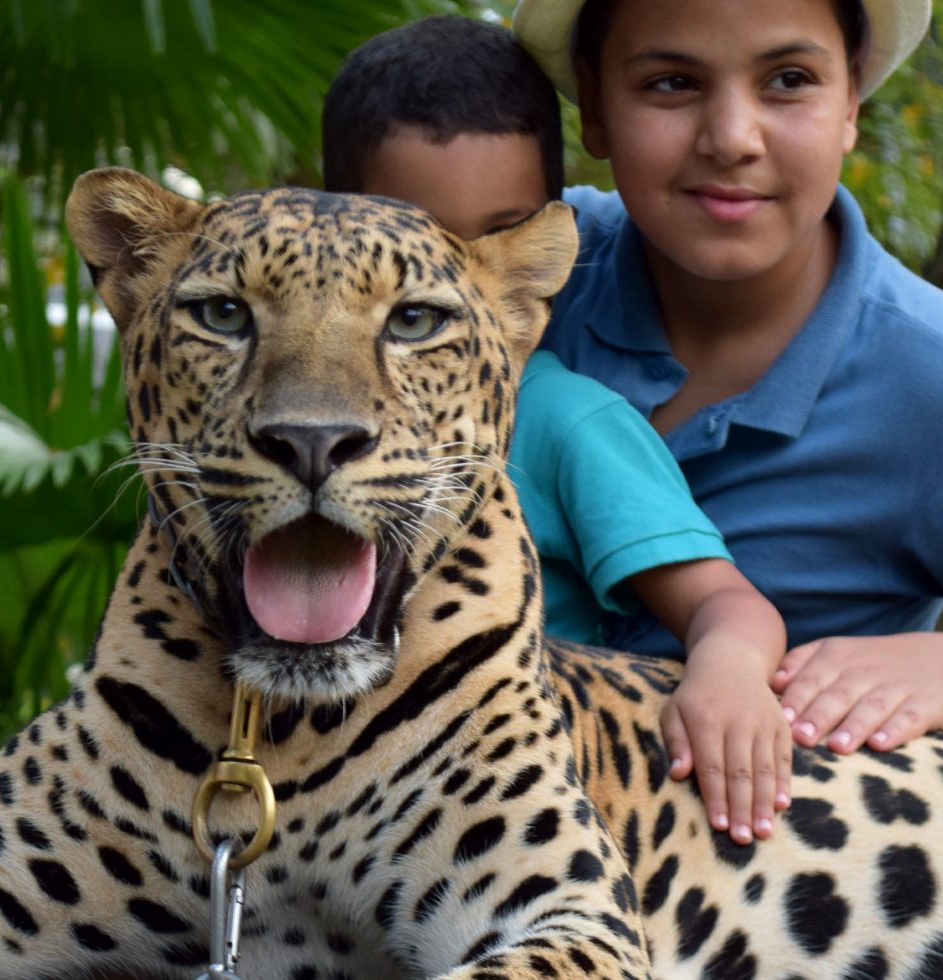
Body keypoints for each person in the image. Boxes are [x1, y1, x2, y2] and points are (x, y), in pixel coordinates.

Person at [511, 0, 943, 754]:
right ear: (593, 105)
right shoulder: (516, 269)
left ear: (851, 100)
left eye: (788, 79)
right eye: (672, 83)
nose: (732, 138)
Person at [324, 16, 792, 846]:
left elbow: (725, 600)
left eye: (503, 235)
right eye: (419, 236)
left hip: (492, 810)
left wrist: (727, 673)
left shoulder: (564, 418)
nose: (462, 283)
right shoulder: (291, 418)